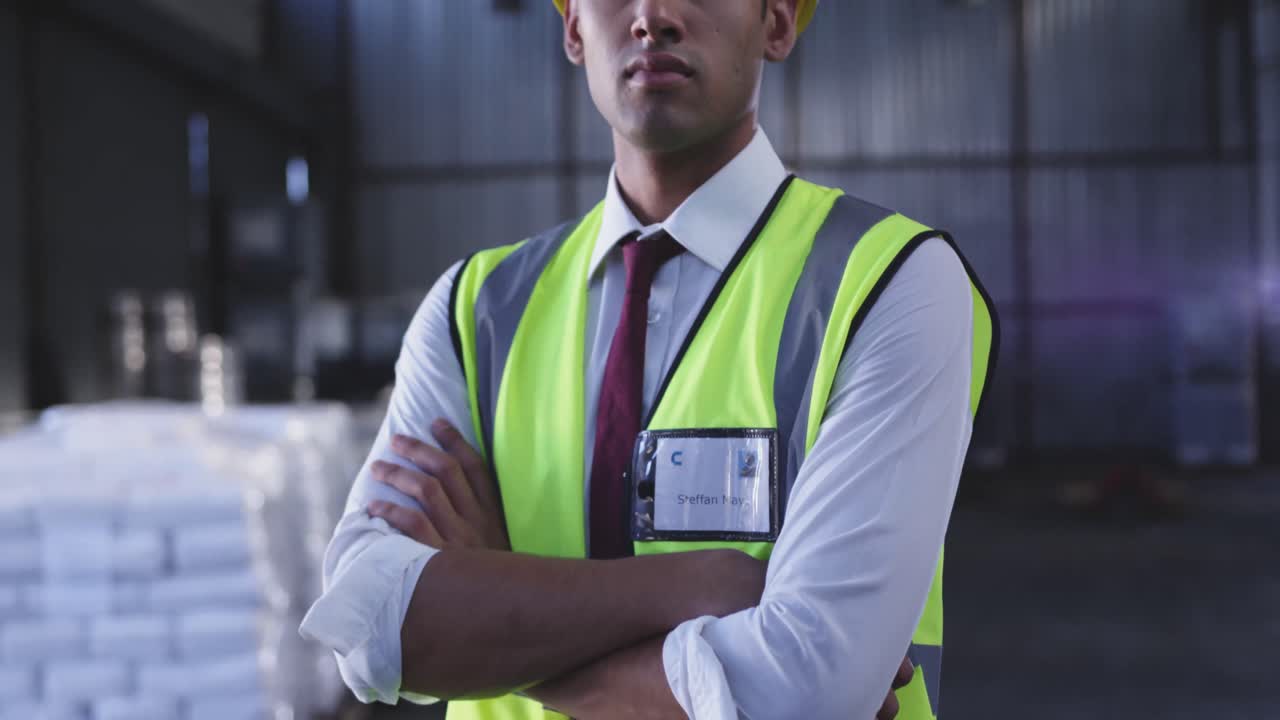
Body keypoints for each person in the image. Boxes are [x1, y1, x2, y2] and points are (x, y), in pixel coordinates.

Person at [299, 1, 998, 718]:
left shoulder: (889, 284)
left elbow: (798, 695)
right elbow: (367, 622)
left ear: (779, 22)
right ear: (573, 30)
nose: (653, 16)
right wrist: (697, 588)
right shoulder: (472, 310)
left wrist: (491, 599)